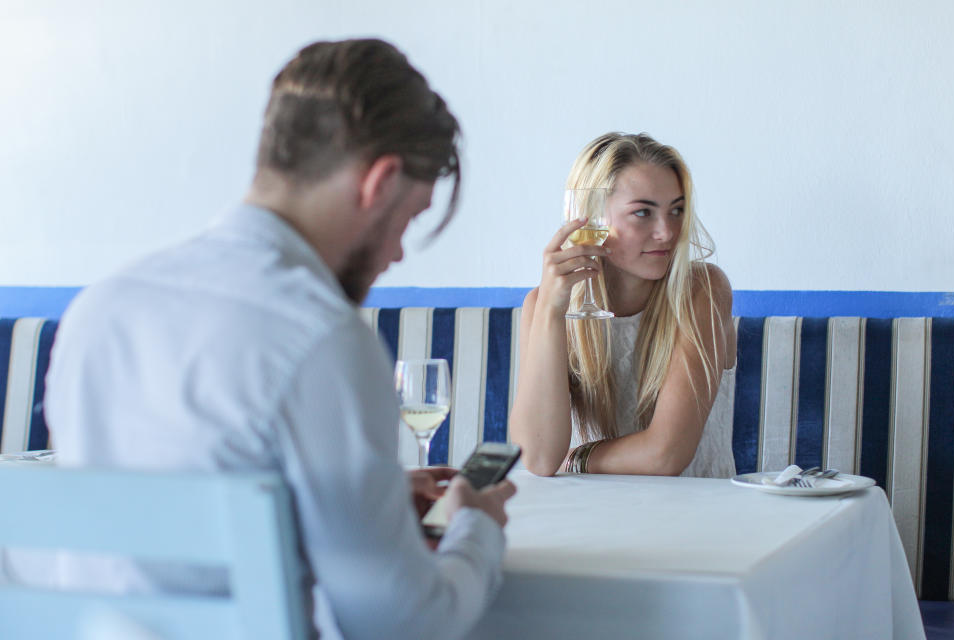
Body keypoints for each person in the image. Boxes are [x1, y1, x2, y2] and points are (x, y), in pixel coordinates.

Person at [41, 39, 515, 639]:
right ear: (379, 182)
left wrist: (363, 499)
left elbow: (157, 536)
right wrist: (478, 530)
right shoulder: (321, 338)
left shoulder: (101, 307)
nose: (396, 253)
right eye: (411, 218)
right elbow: (401, 625)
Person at [509, 132, 737, 478]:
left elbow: (665, 455)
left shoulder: (702, 290)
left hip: (695, 515)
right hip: (595, 514)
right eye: (643, 212)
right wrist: (552, 310)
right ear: (590, 218)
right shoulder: (542, 305)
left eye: (676, 210)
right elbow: (539, 458)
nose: (667, 231)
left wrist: (575, 459)